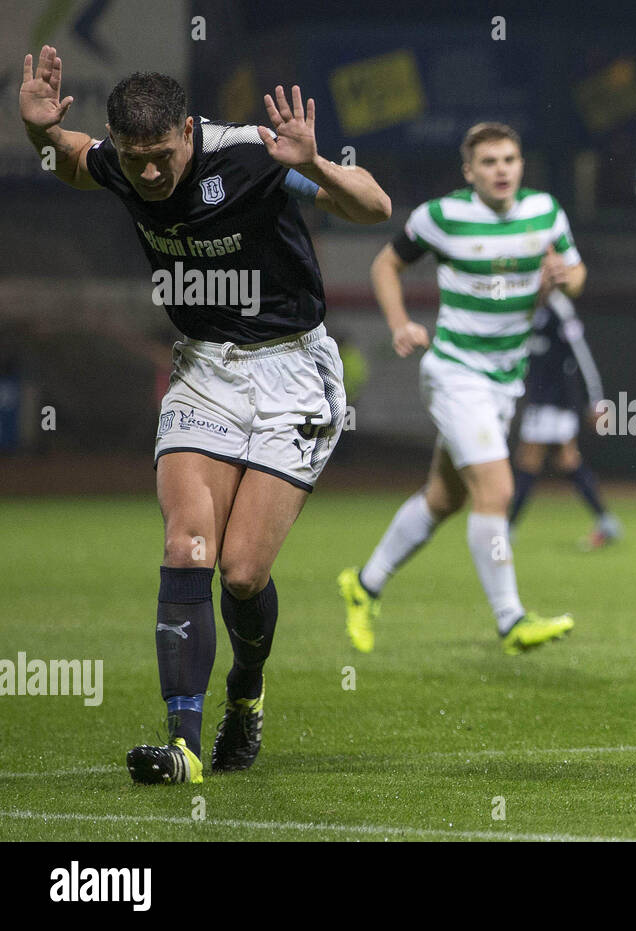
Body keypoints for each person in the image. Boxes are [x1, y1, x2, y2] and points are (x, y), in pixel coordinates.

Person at [19, 46, 392, 784]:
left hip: (293, 371)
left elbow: (372, 207)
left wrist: (314, 164)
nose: (149, 174)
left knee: (244, 574)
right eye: (135, 160)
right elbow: (68, 156)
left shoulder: (252, 156)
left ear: (188, 131)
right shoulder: (122, 166)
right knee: (188, 544)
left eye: (161, 156)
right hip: (202, 371)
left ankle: (246, 693)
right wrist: (36, 132)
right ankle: (183, 746)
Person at [338, 123, 583, 655]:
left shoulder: (545, 212)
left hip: (504, 381)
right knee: (496, 491)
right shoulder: (442, 216)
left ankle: (364, 584)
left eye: (510, 159)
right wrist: (400, 323)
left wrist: (564, 276)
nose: (502, 169)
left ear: (521, 165)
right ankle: (510, 619)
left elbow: (578, 273)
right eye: (489, 161)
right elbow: (385, 265)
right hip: (455, 373)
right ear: (469, 172)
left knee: (443, 498)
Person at [509, 289, 622, 548]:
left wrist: (597, 402)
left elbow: (583, 358)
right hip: (540, 400)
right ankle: (606, 521)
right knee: (566, 460)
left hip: (554, 401)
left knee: (529, 459)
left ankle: (505, 529)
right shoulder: (527, 309)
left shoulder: (559, 309)